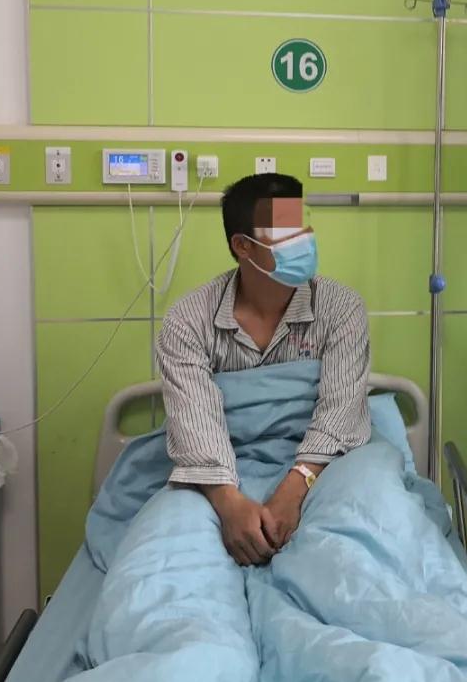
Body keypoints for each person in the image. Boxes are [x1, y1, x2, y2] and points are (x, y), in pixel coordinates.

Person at [157, 172, 371, 566]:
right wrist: (228, 502)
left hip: (324, 467)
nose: (302, 240)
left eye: (303, 227)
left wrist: (297, 485)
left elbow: (341, 410)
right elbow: (195, 422)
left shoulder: (341, 309)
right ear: (242, 246)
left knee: (359, 542)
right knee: (169, 557)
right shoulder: (188, 321)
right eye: (286, 232)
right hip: (216, 475)